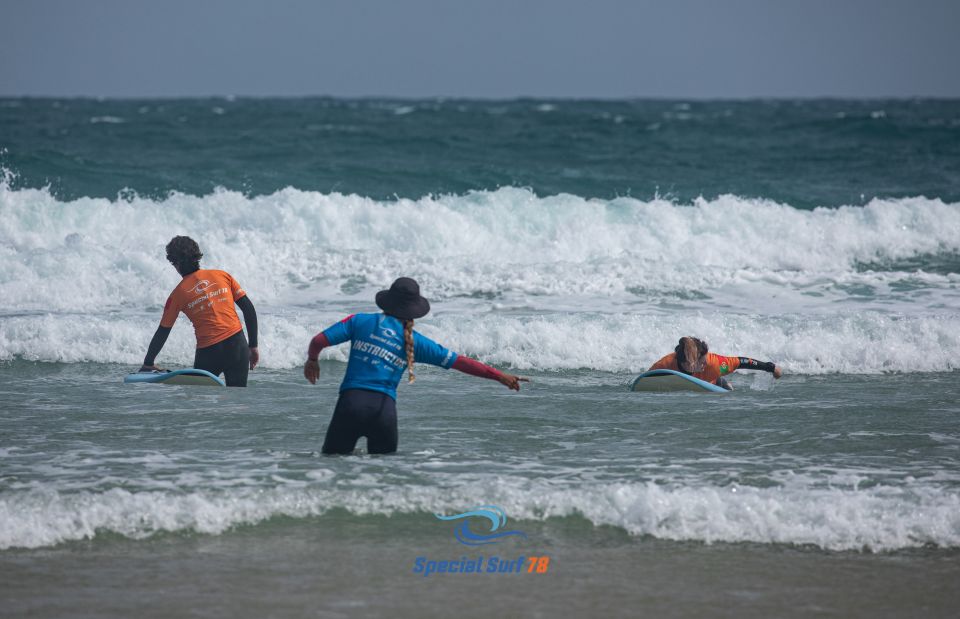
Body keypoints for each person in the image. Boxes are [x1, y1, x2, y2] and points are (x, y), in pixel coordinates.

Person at [303, 277, 527, 455]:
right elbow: (461, 362)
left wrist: (313, 360)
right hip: (383, 414)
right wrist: (500, 376)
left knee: (330, 470)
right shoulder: (416, 342)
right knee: (383, 482)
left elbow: (318, 341)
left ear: (387, 300)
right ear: (414, 310)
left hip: (349, 407)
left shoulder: (359, 321)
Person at [139, 236, 259, 387]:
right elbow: (249, 309)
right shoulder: (222, 276)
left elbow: (163, 331)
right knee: (237, 403)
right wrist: (253, 346)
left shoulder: (177, 294)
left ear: (175, 263)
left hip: (210, 353)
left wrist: (148, 362)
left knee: (200, 405)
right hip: (238, 347)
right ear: (197, 256)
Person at [649, 336, 782, 390]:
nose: (705, 362)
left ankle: (722, 381)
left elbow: (741, 362)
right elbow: (645, 381)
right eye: (701, 361)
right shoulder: (665, 365)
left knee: (727, 388)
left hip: (711, 382)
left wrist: (770, 367)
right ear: (689, 362)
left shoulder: (713, 363)